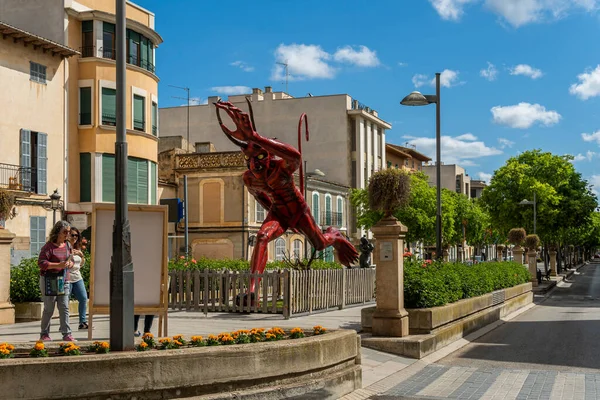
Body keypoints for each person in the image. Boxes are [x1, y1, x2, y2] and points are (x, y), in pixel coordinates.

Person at [38, 220, 74, 341]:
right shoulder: (48, 247)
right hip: (49, 280)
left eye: (69, 232)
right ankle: (44, 333)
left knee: (64, 307)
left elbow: (71, 260)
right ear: (57, 232)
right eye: (65, 232)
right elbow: (42, 263)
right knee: (49, 308)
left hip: (64, 280)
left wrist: (69, 264)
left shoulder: (68, 246)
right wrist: (59, 264)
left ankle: (67, 333)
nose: (67, 235)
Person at [68, 227, 88, 330]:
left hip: (77, 277)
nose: (75, 237)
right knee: (65, 302)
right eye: (72, 235)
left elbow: (81, 264)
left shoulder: (78, 248)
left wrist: (82, 255)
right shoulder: (64, 247)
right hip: (67, 278)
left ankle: (83, 322)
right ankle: (65, 324)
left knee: (83, 298)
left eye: (76, 235)